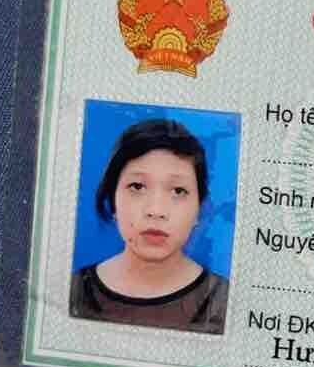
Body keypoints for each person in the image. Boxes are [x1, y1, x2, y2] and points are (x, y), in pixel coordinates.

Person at [70, 119, 229, 334]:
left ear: (199, 208)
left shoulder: (224, 302)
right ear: (113, 200)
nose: (156, 210)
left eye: (178, 191)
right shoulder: (74, 290)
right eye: (137, 186)